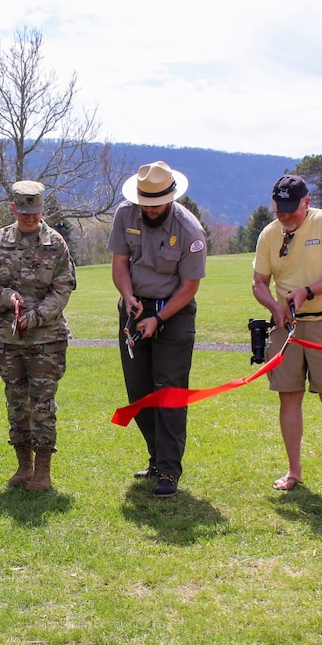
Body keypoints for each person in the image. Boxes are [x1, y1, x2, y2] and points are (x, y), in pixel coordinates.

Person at [251, 175, 322, 499]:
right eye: (280, 210)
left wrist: (308, 291)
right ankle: (293, 471)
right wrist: (274, 307)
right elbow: (259, 282)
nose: (285, 216)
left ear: (306, 203)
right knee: (288, 395)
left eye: (291, 210)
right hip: (288, 325)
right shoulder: (269, 234)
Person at [108, 161, 207, 498]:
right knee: (139, 392)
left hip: (174, 313)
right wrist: (128, 297)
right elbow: (119, 264)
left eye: (156, 205)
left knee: (168, 393)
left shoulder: (189, 230)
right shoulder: (125, 215)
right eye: (144, 204)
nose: (149, 210)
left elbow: (190, 286)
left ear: (170, 198)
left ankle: (168, 469)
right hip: (135, 306)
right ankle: (155, 456)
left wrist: (159, 319)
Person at [0, 180, 76, 491]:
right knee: (16, 402)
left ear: (42, 209)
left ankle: (43, 470)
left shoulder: (55, 243)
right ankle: (23, 466)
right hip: (8, 340)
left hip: (46, 341)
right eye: (24, 212)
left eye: (35, 212)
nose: (30, 218)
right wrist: (6, 297)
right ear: (14, 208)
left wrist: (35, 317)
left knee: (43, 404)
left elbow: (63, 288)